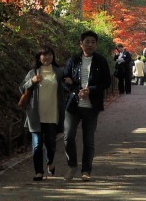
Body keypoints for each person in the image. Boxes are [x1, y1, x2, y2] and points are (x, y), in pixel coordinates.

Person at [63, 30, 112, 181]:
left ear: (96, 44)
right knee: (68, 136)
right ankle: (72, 165)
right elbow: (65, 79)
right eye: (87, 41)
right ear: (81, 44)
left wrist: (91, 90)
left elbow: (107, 82)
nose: (90, 44)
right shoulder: (73, 60)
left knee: (88, 139)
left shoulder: (101, 61)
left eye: (93, 42)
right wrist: (77, 90)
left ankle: (86, 170)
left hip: (92, 106)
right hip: (74, 105)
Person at [20, 46, 66, 180]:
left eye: (50, 55)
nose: (47, 57)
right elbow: (22, 87)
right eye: (44, 55)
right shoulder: (33, 72)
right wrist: (32, 81)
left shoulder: (59, 72)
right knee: (37, 145)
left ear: (53, 56)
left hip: (53, 114)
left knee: (51, 144)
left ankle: (50, 162)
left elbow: (66, 88)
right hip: (36, 115)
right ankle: (38, 172)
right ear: (39, 57)